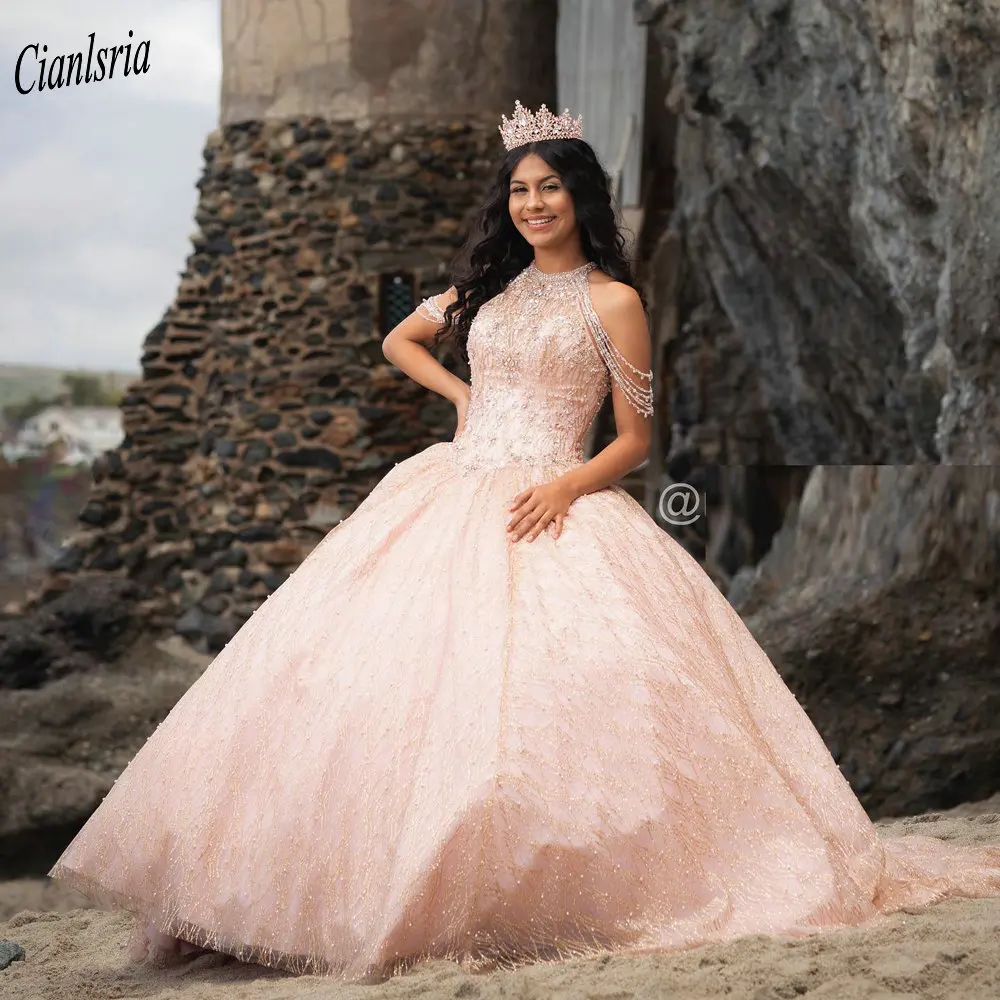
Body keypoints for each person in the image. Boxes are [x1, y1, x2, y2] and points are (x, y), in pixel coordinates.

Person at [48, 101, 1000, 983]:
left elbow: (633, 440)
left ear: (581, 196)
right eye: (519, 189)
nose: (534, 203)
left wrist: (565, 484)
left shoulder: (613, 301)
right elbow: (399, 340)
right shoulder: (484, 287)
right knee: (360, 689)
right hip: (449, 490)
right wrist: (463, 397)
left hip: (555, 496)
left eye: (549, 187)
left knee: (547, 711)